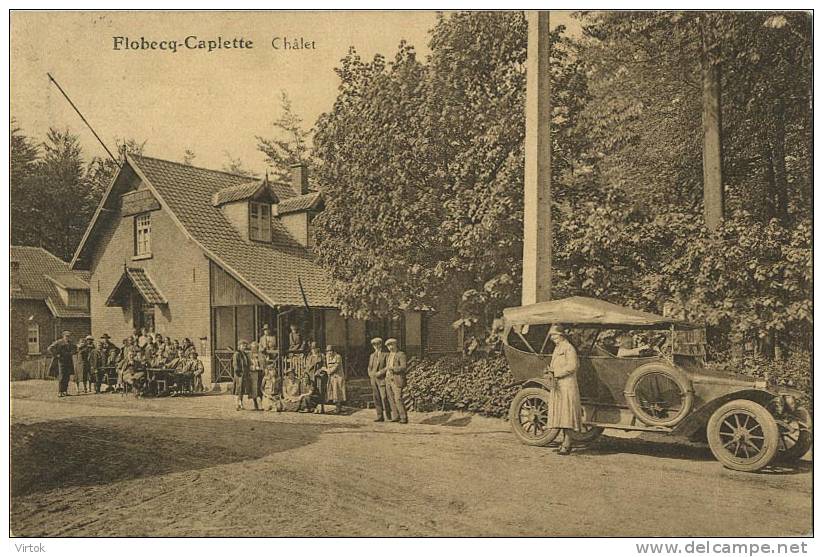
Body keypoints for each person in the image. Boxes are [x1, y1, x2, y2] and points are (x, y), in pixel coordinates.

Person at [546, 325, 583, 455]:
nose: (552, 338)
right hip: (559, 385)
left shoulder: (568, 348)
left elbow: (573, 366)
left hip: (567, 384)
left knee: (567, 415)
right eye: (551, 336)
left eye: (554, 335)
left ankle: (567, 445)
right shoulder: (558, 348)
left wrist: (556, 372)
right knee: (562, 415)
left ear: (562, 335)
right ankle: (564, 443)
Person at [384, 338, 408, 423]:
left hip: (397, 379)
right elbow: (386, 367)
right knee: (391, 398)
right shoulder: (389, 355)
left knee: (398, 398)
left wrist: (393, 369)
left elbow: (403, 367)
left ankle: (403, 417)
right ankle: (396, 416)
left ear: (395, 345)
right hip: (388, 379)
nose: (390, 347)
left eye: (391, 345)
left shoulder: (401, 354)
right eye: (388, 346)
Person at [367, 337, 391, 422]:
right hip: (373, 379)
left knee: (384, 397)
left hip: (382, 379)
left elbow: (387, 366)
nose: (376, 346)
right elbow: (370, 367)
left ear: (381, 344)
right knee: (376, 398)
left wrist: (380, 373)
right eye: (374, 344)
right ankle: (379, 416)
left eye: (377, 344)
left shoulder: (386, 354)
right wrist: (370, 374)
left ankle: (389, 416)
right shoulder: (372, 355)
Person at [48, 330, 77, 397]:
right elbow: (50, 348)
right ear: (63, 336)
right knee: (62, 376)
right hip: (62, 361)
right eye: (66, 336)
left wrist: (73, 352)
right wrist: (56, 355)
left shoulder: (70, 343)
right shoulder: (59, 342)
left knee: (67, 377)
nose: (67, 337)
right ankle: (60, 392)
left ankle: (65, 391)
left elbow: (75, 348)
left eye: (69, 336)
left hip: (69, 361)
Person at [304, 342, 327, 413]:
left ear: (318, 349)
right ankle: (310, 407)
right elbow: (306, 367)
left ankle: (321, 408)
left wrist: (319, 371)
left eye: (315, 348)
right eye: (312, 349)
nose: (313, 350)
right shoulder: (309, 357)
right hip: (310, 377)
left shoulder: (321, 356)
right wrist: (306, 374)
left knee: (320, 392)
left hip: (318, 377)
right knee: (310, 392)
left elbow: (324, 366)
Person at [323, 345, 346, 413]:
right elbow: (326, 364)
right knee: (333, 392)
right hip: (331, 377)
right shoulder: (327, 356)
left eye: (330, 351)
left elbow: (334, 368)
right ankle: (337, 406)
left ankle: (338, 407)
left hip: (338, 376)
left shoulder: (338, 357)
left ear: (333, 351)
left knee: (338, 392)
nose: (329, 353)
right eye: (328, 351)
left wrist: (326, 370)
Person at [232, 340, 252, 411]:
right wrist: (238, 371)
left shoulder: (245, 354)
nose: (244, 347)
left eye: (245, 346)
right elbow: (235, 364)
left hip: (244, 374)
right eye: (243, 345)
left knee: (242, 389)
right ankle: (237, 404)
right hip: (239, 374)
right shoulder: (237, 354)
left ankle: (241, 403)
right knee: (238, 388)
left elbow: (247, 363)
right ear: (239, 346)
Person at [247, 342, 265, 410]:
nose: (254, 349)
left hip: (260, 374)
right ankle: (255, 404)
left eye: (255, 348)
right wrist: (251, 367)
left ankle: (261, 404)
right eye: (253, 348)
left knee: (260, 388)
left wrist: (261, 368)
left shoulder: (261, 355)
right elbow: (247, 364)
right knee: (253, 390)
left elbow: (264, 364)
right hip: (252, 374)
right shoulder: (249, 355)